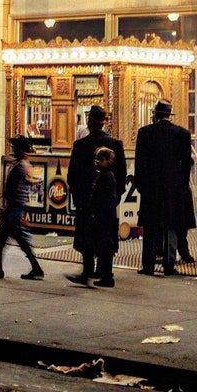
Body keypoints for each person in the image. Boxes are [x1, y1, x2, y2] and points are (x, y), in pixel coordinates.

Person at [133, 98, 193, 276]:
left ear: (156, 115)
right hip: (174, 188)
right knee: (172, 226)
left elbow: (140, 163)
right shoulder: (182, 134)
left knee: (151, 227)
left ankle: (149, 265)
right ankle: (169, 264)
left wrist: (141, 186)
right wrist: (183, 185)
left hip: (151, 188)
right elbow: (186, 164)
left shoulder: (145, 133)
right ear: (169, 115)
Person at [66, 105, 124, 284]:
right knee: (106, 235)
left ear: (89, 122)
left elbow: (72, 176)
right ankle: (105, 271)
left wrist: (79, 197)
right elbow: (122, 175)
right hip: (107, 201)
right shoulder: (116, 144)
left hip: (86, 201)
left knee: (86, 235)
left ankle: (88, 270)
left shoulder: (80, 145)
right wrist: (115, 197)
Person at [0, 136, 44, 281]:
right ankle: (0, 268)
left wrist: (8, 206)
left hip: (14, 208)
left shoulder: (20, 166)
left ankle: (35, 268)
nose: (14, 149)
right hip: (15, 207)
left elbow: (13, 189)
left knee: (15, 239)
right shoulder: (22, 165)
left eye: (16, 147)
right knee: (6, 239)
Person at [72, 146, 121, 287]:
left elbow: (106, 199)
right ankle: (101, 275)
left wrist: (97, 212)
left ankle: (101, 276)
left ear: (107, 160)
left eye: (101, 159)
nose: (97, 162)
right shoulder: (106, 175)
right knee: (103, 247)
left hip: (103, 217)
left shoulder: (106, 176)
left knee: (101, 246)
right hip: (104, 217)